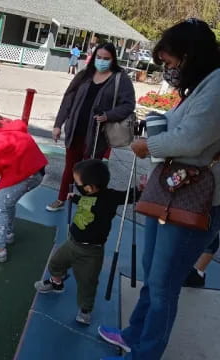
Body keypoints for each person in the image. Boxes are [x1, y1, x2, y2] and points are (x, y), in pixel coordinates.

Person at [98, 19, 220, 360]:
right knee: (154, 274)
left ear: (189, 55)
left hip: (195, 202)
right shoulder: (201, 86)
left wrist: (148, 146)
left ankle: (146, 352)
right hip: (169, 191)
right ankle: (134, 335)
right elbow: (183, 134)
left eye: (170, 63)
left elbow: (191, 139)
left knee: (164, 286)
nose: (169, 70)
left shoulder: (218, 85)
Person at [35, 160, 143, 325]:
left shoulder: (111, 197)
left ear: (90, 187)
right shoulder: (86, 193)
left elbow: (128, 196)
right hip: (72, 243)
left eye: (77, 183)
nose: (75, 185)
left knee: (88, 282)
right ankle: (56, 283)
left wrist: (140, 189)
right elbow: (87, 202)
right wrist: (76, 198)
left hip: (92, 252)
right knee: (56, 263)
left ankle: (85, 309)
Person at [46, 42, 136, 212]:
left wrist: (109, 115)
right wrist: (58, 124)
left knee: (91, 174)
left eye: (106, 59)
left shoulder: (120, 78)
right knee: (70, 169)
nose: (101, 61)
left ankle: (85, 206)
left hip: (97, 136)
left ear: (113, 60)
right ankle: (61, 199)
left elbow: (128, 105)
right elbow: (68, 100)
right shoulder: (84, 75)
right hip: (75, 131)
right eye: (99, 57)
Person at [0, 111, 48, 262]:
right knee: (8, 202)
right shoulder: (5, 126)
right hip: (34, 170)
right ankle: (6, 234)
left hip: (27, 173)